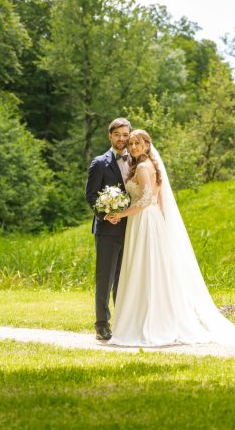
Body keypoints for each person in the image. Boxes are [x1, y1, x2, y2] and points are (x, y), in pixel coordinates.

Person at [105, 129, 235, 347]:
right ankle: (153, 319)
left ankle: (145, 323)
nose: (132, 147)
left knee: (143, 269)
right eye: (130, 144)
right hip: (150, 221)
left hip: (144, 221)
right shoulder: (151, 165)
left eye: (137, 143)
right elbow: (157, 201)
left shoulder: (141, 167)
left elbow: (146, 200)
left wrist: (120, 214)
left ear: (147, 145)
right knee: (153, 270)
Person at [85, 118, 131, 341]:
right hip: (107, 230)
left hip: (132, 229)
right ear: (110, 136)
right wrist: (105, 214)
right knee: (106, 278)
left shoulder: (137, 160)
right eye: (117, 135)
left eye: (125, 135)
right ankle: (101, 324)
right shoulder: (99, 163)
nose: (122, 139)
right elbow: (91, 195)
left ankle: (123, 322)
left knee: (124, 279)